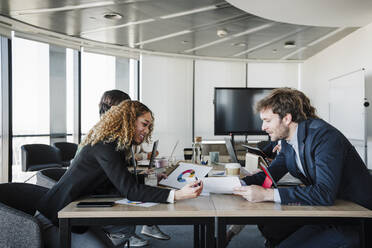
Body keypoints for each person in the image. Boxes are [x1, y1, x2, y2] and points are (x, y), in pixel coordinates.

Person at [37, 100, 203, 247]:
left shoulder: (113, 144)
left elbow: (115, 180)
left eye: (149, 126)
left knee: (124, 228)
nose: (147, 130)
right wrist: (178, 194)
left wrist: (145, 178)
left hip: (77, 213)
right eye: (144, 124)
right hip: (57, 219)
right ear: (130, 121)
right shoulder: (105, 146)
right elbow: (129, 191)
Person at [233, 87, 372, 248]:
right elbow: (270, 174)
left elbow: (324, 193)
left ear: (286, 118)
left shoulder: (324, 137)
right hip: (329, 213)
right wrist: (237, 184)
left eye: (267, 120)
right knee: (277, 234)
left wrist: (266, 194)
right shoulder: (288, 141)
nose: (263, 127)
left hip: (354, 220)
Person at [99, 89, 170, 244]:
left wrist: (143, 178)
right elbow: (126, 187)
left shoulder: (115, 140)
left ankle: (140, 229)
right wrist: (174, 195)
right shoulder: (103, 142)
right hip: (72, 212)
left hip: (98, 196)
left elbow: (117, 177)